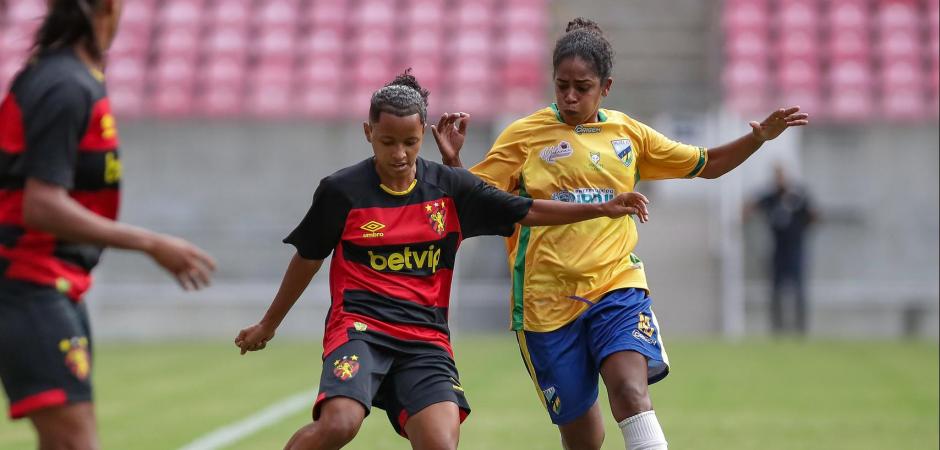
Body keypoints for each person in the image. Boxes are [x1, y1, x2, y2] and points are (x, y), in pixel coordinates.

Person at [435, 17, 809, 450]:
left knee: (631, 393)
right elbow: (477, 202)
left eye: (582, 87)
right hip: (544, 305)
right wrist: (454, 164)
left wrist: (757, 139)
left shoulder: (628, 135)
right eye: (562, 86)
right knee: (585, 439)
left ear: (606, 87)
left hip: (616, 287)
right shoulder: (524, 136)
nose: (570, 96)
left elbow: (706, 164)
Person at [234, 70, 652, 450]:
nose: (400, 154)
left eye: (410, 142)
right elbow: (308, 258)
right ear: (368, 132)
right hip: (360, 329)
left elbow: (526, 209)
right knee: (340, 423)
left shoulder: (449, 188)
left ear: (423, 134)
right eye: (387, 142)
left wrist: (601, 208)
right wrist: (268, 324)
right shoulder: (342, 192)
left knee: (440, 441)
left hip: (424, 339)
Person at [0, 1, 217, 449]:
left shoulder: (75, 77)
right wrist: (151, 243)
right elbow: (41, 205)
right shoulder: (63, 84)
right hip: (26, 283)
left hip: (55, 283)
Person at [746, 164, 817, 335]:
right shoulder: (771, 197)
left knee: (798, 289)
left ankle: (800, 329)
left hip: (796, 249)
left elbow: (813, 214)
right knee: (776, 290)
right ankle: (777, 329)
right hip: (778, 250)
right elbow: (751, 206)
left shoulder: (797, 196)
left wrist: (803, 226)